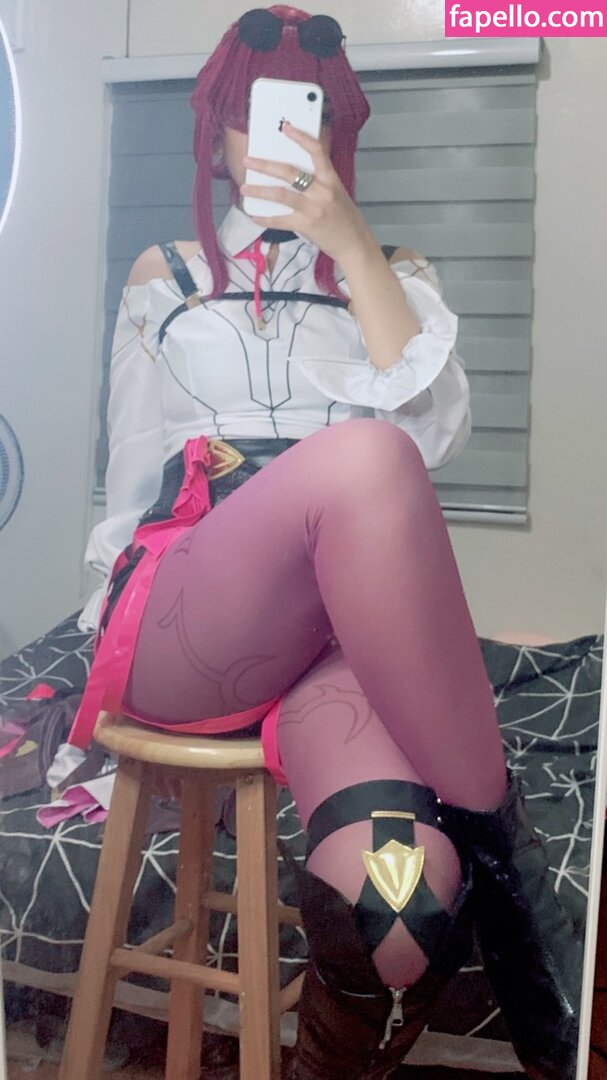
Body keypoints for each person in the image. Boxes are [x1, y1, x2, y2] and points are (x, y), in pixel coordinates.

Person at [66, 7, 581, 1077]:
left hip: (330, 638)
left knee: (404, 900)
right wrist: (94, 676)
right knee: (364, 458)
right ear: (215, 139)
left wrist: (352, 250)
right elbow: (131, 477)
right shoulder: (164, 274)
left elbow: (434, 437)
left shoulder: (392, 274)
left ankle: (466, 909)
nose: (280, 145)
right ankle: (522, 892)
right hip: (194, 615)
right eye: (252, 121)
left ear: (339, 137)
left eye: (308, 121)